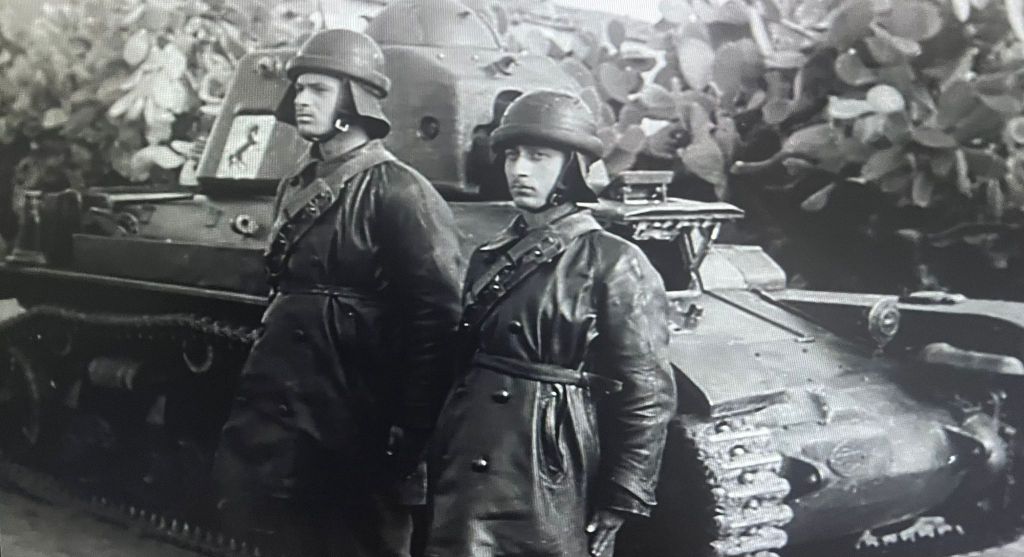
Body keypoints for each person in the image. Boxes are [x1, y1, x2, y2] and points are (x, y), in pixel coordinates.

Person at [213, 29, 463, 557]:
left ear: (354, 103)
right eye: (301, 88)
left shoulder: (401, 192)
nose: (302, 99)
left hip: (357, 409)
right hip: (287, 404)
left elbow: (438, 319)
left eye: (320, 89)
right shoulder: (297, 182)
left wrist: (412, 426)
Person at [425, 90, 677, 557]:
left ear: (572, 168)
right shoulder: (491, 255)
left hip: (547, 464)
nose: (519, 169)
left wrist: (623, 491)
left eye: (538, 157)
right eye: (512, 155)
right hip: (469, 450)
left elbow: (647, 391)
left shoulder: (613, 261)